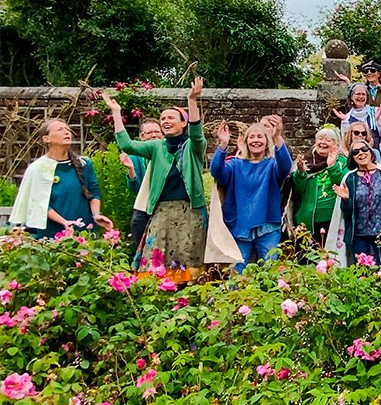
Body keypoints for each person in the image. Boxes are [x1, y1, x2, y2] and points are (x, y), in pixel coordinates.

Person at [103, 78, 208, 282]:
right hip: (161, 211)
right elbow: (127, 145)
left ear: (183, 123)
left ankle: (186, 300)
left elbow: (197, 132)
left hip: (190, 212)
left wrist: (192, 100)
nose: (166, 121)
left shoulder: (194, 147)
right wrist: (116, 112)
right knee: (156, 258)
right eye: (163, 118)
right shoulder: (156, 147)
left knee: (188, 258)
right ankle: (160, 296)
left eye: (171, 117)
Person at [210, 117, 293, 272]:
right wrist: (223, 145)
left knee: (269, 271)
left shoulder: (271, 164)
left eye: (260, 136)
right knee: (237, 272)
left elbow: (285, 167)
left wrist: (277, 137)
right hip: (239, 226)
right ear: (246, 142)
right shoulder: (235, 165)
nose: (256, 140)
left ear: (266, 141)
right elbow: (216, 171)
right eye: (252, 137)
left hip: (267, 225)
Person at [11, 119, 112, 238]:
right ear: (46, 139)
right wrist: (64, 222)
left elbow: (94, 192)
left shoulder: (84, 164)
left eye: (68, 129)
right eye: (60, 129)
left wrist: (96, 215)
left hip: (84, 232)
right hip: (53, 233)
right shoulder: (38, 168)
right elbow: (39, 203)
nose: (67, 132)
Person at [287, 127, 349, 248]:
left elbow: (344, 185)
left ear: (336, 145)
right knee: (306, 258)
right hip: (307, 219)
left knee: (331, 258)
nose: (323, 142)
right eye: (320, 138)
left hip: (334, 218)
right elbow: (297, 192)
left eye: (328, 140)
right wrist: (300, 174)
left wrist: (332, 167)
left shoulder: (343, 162)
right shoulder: (305, 161)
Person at [120, 118, 164, 249]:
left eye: (157, 131)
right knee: (137, 223)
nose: (154, 135)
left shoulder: (168, 152)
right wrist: (131, 169)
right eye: (149, 133)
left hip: (165, 202)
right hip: (145, 204)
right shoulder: (135, 156)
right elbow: (135, 188)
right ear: (141, 137)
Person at [335, 84, 381, 150]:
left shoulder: (376, 111)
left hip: (376, 152)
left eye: (363, 94)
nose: (361, 96)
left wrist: (378, 121)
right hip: (356, 153)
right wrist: (345, 122)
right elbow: (345, 141)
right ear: (351, 97)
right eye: (358, 94)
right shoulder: (347, 117)